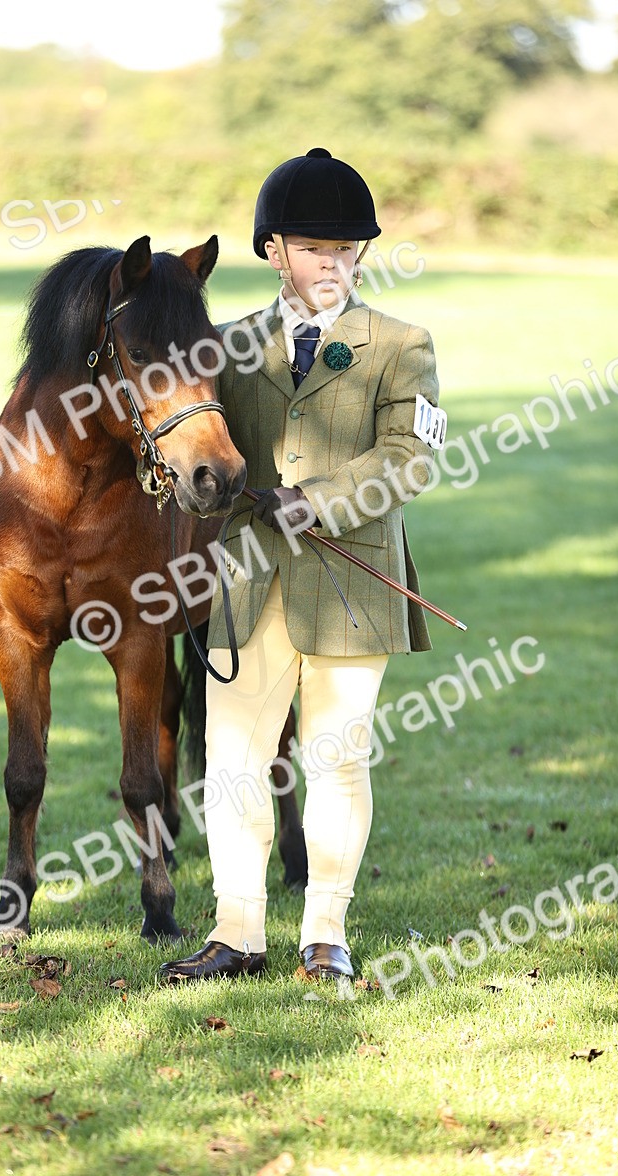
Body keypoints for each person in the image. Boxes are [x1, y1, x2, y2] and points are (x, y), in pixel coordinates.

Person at [160, 148, 444, 983]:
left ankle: (325, 933)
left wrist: (317, 499)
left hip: (353, 585)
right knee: (237, 761)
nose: (335, 263)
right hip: (248, 583)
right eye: (316, 248)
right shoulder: (228, 345)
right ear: (274, 249)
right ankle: (237, 932)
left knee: (337, 758)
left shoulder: (401, 344)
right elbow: (198, 447)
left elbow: (411, 460)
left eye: (348, 249)